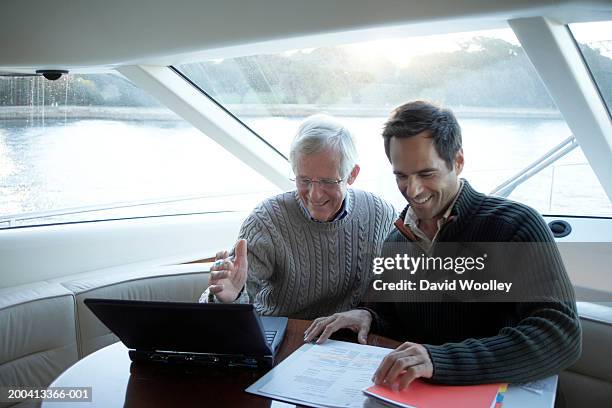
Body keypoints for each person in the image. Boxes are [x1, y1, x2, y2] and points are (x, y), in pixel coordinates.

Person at [304, 101, 581, 388]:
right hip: (417, 394)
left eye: (426, 174)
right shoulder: (396, 242)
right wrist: (368, 317)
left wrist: (439, 360)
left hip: (498, 394)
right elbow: (396, 321)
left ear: (458, 161)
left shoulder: (515, 226)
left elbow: (559, 335)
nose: (413, 190)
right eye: (401, 175)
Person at [199, 114, 396, 320]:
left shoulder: (380, 214)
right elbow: (219, 309)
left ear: (352, 175)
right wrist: (227, 299)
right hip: (281, 336)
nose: (314, 194)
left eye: (328, 181)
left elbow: (400, 295)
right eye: (304, 180)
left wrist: (369, 315)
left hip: (349, 340)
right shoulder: (267, 220)